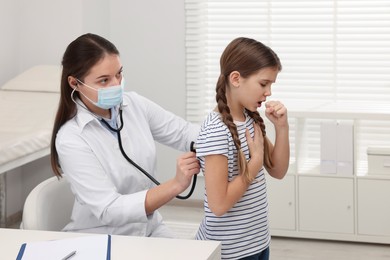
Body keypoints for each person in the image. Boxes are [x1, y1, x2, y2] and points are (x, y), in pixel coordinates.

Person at [50, 33, 200, 237]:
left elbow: (183, 133)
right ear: (75, 83)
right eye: (104, 80)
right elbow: (109, 209)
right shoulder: (71, 138)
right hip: (104, 237)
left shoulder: (134, 104)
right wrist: (176, 185)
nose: (116, 85)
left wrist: (227, 134)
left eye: (118, 74)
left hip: (149, 227)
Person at [195, 37, 290, 260]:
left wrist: (282, 128)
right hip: (230, 251)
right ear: (236, 78)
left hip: (257, 241)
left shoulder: (250, 119)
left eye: (271, 85)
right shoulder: (216, 131)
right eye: (263, 84)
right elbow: (219, 205)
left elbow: (278, 170)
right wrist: (255, 163)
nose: (268, 93)